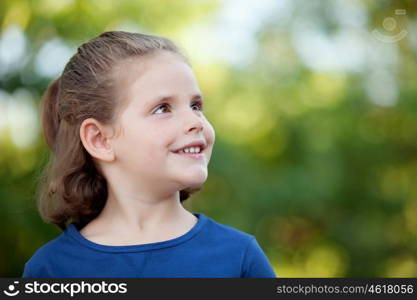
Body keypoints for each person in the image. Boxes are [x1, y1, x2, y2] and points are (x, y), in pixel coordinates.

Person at [22, 31, 276, 278]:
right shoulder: (51, 269)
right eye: (162, 108)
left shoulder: (238, 256)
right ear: (100, 140)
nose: (196, 121)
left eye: (195, 105)